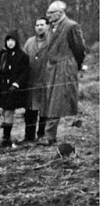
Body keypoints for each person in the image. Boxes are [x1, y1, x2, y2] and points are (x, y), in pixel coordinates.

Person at [40, 1, 86, 145]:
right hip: (52, 67)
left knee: (56, 101)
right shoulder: (51, 28)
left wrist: (75, 65)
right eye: (48, 13)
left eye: (51, 13)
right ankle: (48, 134)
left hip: (64, 66)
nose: (48, 16)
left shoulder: (71, 26)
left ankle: (49, 136)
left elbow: (79, 48)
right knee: (50, 100)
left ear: (60, 12)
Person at [0, 31, 30, 147]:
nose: (10, 43)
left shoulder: (22, 55)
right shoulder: (3, 54)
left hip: (15, 88)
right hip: (4, 87)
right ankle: (6, 136)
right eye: (8, 40)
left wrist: (16, 84)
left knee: (9, 111)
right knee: (4, 111)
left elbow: (25, 73)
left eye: (12, 40)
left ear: (17, 41)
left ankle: (6, 137)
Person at [23, 17, 51, 143]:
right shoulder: (29, 42)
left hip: (47, 81)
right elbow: (23, 60)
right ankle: (29, 136)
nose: (39, 27)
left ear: (48, 26)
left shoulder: (52, 41)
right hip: (31, 81)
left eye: (42, 25)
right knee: (30, 110)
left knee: (45, 110)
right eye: (37, 25)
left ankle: (42, 135)